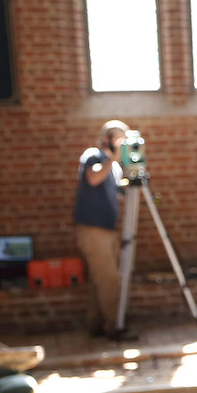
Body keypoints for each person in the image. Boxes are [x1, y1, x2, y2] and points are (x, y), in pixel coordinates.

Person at [73, 121, 128, 339]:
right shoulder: (94, 156)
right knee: (110, 280)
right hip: (93, 230)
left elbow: (117, 194)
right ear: (106, 139)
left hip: (108, 228)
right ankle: (115, 326)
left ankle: (95, 324)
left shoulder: (114, 167)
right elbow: (93, 177)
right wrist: (113, 158)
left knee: (99, 281)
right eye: (118, 139)